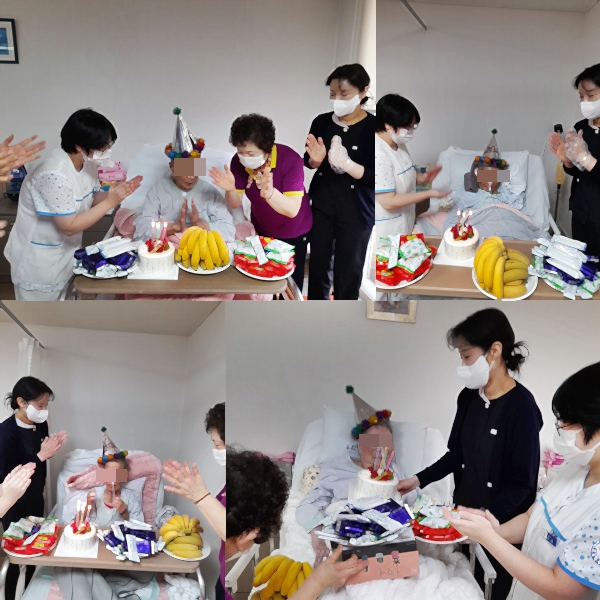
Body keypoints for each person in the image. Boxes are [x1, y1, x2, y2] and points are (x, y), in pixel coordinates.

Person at [397, 308, 543, 600]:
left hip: (500, 530)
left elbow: (523, 485)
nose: (462, 365)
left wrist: (486, 520)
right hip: (462, 521)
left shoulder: (523, 408)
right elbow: (456, 456)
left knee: (489, 590)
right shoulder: (467, 398)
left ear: (494, 351)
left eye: (466, 356)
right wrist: (417, 480)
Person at [445, 361, 600, 600]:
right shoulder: (574, 468)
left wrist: (489, 538)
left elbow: (560, 588)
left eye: (570, 421)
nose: (561, 427)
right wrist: (496, 530)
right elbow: (533, 517)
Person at [4, 108, 143, 301]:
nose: (106, 151)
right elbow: (69, 227)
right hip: (39, 262)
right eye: (102, 147)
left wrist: (116, 193)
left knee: (65, 309)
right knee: (41, 315)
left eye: (108, 145)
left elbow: (92, 197)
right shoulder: (53, 174)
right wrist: (111, 201)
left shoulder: (87, 164)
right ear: (79, 146)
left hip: (66, 256)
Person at [227, 448, 365, 599]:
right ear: (248, 535)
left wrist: (318, 579)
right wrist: (319, 581)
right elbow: (309, 505)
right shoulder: (335, 467)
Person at [209, 114, 312, 292]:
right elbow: (235, 203)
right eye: (240, 152)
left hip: (293, 230)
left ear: (267, 149)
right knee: (264, 281)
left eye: (250, 153)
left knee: (289, 285)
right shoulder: (237, 162)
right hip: (262, 229)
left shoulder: (290, 160)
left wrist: (270, 194)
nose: (244, 158)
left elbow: (292, 209)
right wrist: (230, 189)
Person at [297, 420, 416, 567]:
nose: (381, 449)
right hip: (345, 537)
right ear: (359, 445)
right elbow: (309, 504)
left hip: (388, 543)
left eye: (386, 442)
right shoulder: (336, 469)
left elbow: (412, 503)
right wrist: (318, 538)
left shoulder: (394, 472)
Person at [304, 63, 374, 300]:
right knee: (318, 266)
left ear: (363, 91)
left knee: (349, 272)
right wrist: (315, 161)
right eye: (333, 94)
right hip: (323, 205)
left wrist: (348, 165)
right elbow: (308, 160)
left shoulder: (374, 128)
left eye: (344, 94)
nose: (337, 100)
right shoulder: (321, 122)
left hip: (357, 210)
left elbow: (378, 177)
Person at [0, 377, 67, 599]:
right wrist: (40, 455)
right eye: (40, 405)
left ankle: (30, 589)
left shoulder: (41, 424)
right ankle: (12, 594)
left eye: (46, 405)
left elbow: (40, 459)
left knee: (35, 548)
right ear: (21, 402)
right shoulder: (5, 433)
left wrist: (48, 452)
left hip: (36, 496)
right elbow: (8, 475)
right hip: (12, 503)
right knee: (16, 553)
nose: (44, 410)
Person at [134, 109, 235, 243]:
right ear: (172, 167)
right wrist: (174, 227)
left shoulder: (209, 192)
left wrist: (201, 224)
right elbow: (141, 231)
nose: (191, 176)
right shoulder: (157, 191)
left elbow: (229, 229)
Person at [162, 403, 226, 599]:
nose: (215, 450)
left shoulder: (250, 481)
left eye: (218, 445)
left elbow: (236, 533)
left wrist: (201, 497)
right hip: (224, 574)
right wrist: (197, 497)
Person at [375, 94, 447, 237]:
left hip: (405, 222)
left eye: (412, 126)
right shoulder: (378, 153)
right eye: (407, 127)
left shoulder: (398, 144)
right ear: (388, 124)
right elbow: (388, 202)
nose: (410, 131)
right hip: (387, 230)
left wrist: (423, 178)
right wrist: (428, 193)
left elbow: (405, 172)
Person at [548, 63, 600, 256]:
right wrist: (568, 162)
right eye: (581, 96)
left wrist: (586, 158)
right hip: (581, 212)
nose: (585, 102)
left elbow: (589, 165)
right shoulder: (581, 127)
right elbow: (579, 171)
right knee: (582, 263)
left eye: (591, 95)